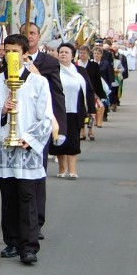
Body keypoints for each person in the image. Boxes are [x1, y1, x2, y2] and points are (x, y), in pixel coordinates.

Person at [0, 34, 53, 265]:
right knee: (9, 197)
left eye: (15, 51)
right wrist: (1, 111)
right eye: (6, 50)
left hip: (27, 149)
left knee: (27, 197)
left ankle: (29, 246)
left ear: (24, 55)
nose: (10, 55)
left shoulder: (38, 83)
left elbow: (46, 118)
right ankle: (11, 241)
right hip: (4, 147)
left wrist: (30, 139)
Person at [20, 22, 66, 239]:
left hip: (39, 126)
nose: (28, 37)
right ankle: (19, 217)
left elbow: (57, 94)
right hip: (18, 124)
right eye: (25, 33)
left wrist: (60, 127)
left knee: (37, 175)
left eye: (32, 33)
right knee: (16, 176)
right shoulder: (12, 58)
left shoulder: (48, 62)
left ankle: (36, 220)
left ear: (39, 36)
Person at [51, 43, 94, 179]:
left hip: (75, 111)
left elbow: (89, 91)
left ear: (72, 56)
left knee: (74, 141)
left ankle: (73, 169)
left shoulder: (80, 71)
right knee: (59, 141)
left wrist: (91, 109)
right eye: (61, 52)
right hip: (58, 112)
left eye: (66, 52)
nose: (63, 54)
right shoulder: (53, 70)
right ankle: (62, 167)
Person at [76, 46, 104, 140]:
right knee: (81, 111)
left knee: (91, 111)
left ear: (88, 54)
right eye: (80, 53)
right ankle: (82, 130)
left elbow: (98, 80)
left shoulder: (94, 65)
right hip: (79, 92)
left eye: (84, 53)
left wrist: (101, 94)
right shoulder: (75, 65)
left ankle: (90, 130)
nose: (82, 55)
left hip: (91, 91)